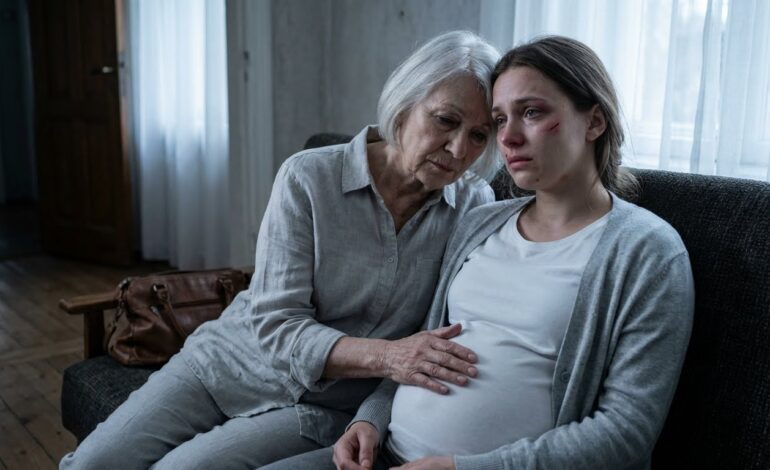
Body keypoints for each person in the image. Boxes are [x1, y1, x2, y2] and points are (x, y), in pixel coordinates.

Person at [60, 31, 500, 469]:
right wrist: (389, 356)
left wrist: (372, 415)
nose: (459, 149)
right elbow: (277, 324)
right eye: (445, 120)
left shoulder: (473, 207)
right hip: (226, 363)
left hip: (326, 403)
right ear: (405, 104)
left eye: (479, 135)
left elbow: (432, 340)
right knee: (92, 464)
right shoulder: (308, 178)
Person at [266, 35, 695, 470]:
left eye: (531, 112)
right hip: (380, 453)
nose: (507, 137)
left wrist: (460, 468)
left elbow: (625, 434)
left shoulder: (647, 252)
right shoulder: (479, 224)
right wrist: (370, 420)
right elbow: (425, 349)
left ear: (594, 121)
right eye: (499, 120)